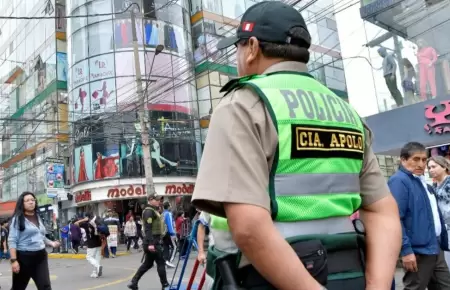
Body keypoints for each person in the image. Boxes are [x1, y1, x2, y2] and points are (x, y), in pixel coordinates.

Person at [191, 2, 402, 290]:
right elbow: (382, 211)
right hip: (351, 275)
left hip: (272, 279)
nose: (238, 56)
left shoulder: (243, 104)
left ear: (252, 47)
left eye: (238, 47)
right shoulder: (346, 112)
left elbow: (249, 227)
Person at [389, 142, 450, 289]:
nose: (421, 164)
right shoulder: (399, 181)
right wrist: (406, 250)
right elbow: (396, 218)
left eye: (424, 160)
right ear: (403, 160)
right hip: (417, 251)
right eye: (416, 159)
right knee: (415, 287)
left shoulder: (424, 183)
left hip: (435, 247)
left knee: (445, 286)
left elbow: (434, 215)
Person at [8, 192, 60, 290]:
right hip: (24, 258)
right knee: (18, 288)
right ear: (22, 203)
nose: (31, 202)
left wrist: (51, 243)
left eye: (32, 200)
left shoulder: (38, 217)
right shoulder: (18, 219)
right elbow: (12, 240)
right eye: (27, 201)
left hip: (40, 257)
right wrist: (14, 260)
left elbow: (41, 236)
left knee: (45, 286)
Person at [127, 195, 169, 290]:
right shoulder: (149, 211)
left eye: (160, 200)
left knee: (148, 264)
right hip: (152, 241)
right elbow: (148, 229)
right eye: (157, 200)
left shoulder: (153, 210)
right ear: (150, 200)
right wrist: (151, 243)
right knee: (160, 262)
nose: (159, 201)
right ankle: (165, 284)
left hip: (153, 240)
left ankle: (134, 282)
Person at [197, 211, 238, 290]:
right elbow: (201, 226)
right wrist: (201, 252)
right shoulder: (210, 201)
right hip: (215, 256)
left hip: (238, 257)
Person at [428, 155, 450, 267]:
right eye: (429, 167)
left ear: (444, 166)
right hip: (443, 229)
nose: (431, 170)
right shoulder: (434, 186)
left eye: (434, 166)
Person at [75, 214, 103, 278]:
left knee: (89, 257)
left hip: (91, 244)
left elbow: (76, 223)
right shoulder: (97, 223)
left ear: (87, 217)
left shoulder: (86, 224)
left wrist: (84, 220)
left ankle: (98, 266)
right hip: (99, 243)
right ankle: (95, 272)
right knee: (97, 258)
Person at [162, 202, 176, 266]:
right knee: (175, 247)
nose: (171, 207)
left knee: (166, 246)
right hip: (168, 233)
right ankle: (169, 261)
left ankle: (165, 260)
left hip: (163, 233)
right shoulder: (168, 214)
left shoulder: (162, 214)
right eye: (170, 206)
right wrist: (173, 234)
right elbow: (170, 224)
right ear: (168, 207)